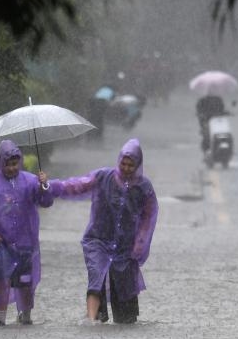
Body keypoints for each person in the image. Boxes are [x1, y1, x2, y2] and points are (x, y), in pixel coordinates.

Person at [49, 138, 158, 324]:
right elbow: (76, 185)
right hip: (97, 239)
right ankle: (93, 321)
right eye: (123, 163)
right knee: (96, 276)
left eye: (131, 165)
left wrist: (139, 245)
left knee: (125, 298)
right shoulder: (103, 177)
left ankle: (122, 320)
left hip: (125, 248)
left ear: (138, 165)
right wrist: (52, 187)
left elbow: (148, 219)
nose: (126, 168)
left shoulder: (144, 188)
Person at [0, 140, 52, 326]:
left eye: (14, 163)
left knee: (25, 281)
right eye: (7, 164)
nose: (11, 168)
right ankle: (1, 320)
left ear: (20, 162)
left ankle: (25, 316)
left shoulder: (30, 180)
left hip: (25, 240)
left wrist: (44, 186)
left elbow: (46, 202)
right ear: (0, 162)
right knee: (2, 279)